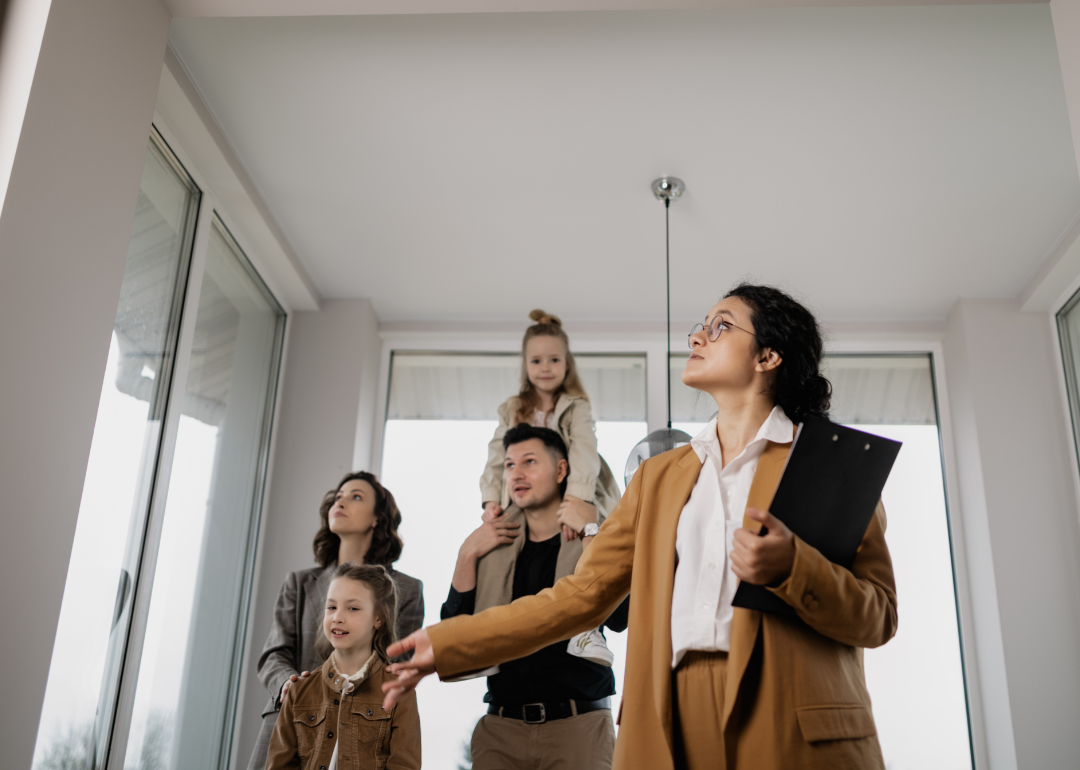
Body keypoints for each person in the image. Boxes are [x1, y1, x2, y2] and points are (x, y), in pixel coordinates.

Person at [383, 284, 899, 770]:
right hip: (669, 721)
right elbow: (578, 597)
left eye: (721, 327)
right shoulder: (657, 478)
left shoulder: (832, 462)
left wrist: (794, 568)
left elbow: (878, 616)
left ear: (768, 357)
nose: (697, 336)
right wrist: (452, 640)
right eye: (700, 325)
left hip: (792, 718)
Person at [446, 423, 627, 770]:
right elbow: (456, 634)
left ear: (561, 471)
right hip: (500, 730)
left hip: (579, 728)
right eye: (510, 465)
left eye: (529, 461)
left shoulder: (595, 533)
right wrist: (466, 555)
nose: (516, 473)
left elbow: (621, 618)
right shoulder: (493, 546)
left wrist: (592, 531)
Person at [247, 472, 424, 770]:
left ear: (377, 519)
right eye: (338, 495)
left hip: (365, 730)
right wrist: (289, 686)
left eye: (355, 496)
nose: (340, 500)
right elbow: (274, 655)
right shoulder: (300, 582)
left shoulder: (406, 589)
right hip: (291, 722)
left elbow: (398, 667)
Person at [478, 309, 621, 664]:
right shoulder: (513, 408)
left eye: (554, 359)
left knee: (578, 543)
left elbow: (584, 452)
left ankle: (584, 630)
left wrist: (576, 498)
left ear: (567, 365)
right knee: (500, 548)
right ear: (525, 365)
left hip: (575, 488)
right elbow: (498, 456)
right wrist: (490, 500)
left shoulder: (575, 407)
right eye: (537, 360)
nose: (546, 367)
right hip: (527, 496)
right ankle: (488, 634)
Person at [266, 563, 421, 769]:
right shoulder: (298, 691)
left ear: (379, 618)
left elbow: (404, 766)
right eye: (331, 607)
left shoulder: (399, 691)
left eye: (353, 608)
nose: (337, 617)